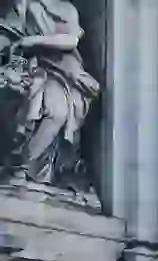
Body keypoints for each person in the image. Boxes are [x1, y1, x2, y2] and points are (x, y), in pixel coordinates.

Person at [0, 0, 100, 189]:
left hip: (64, 71)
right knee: (35, 106)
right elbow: (6, 35)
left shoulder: (66, 9)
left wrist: (32, 40)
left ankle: (26, 166)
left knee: (57, 111)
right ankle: (20, 166)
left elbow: (71, 40)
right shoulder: (22, 7)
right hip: (32, 68)